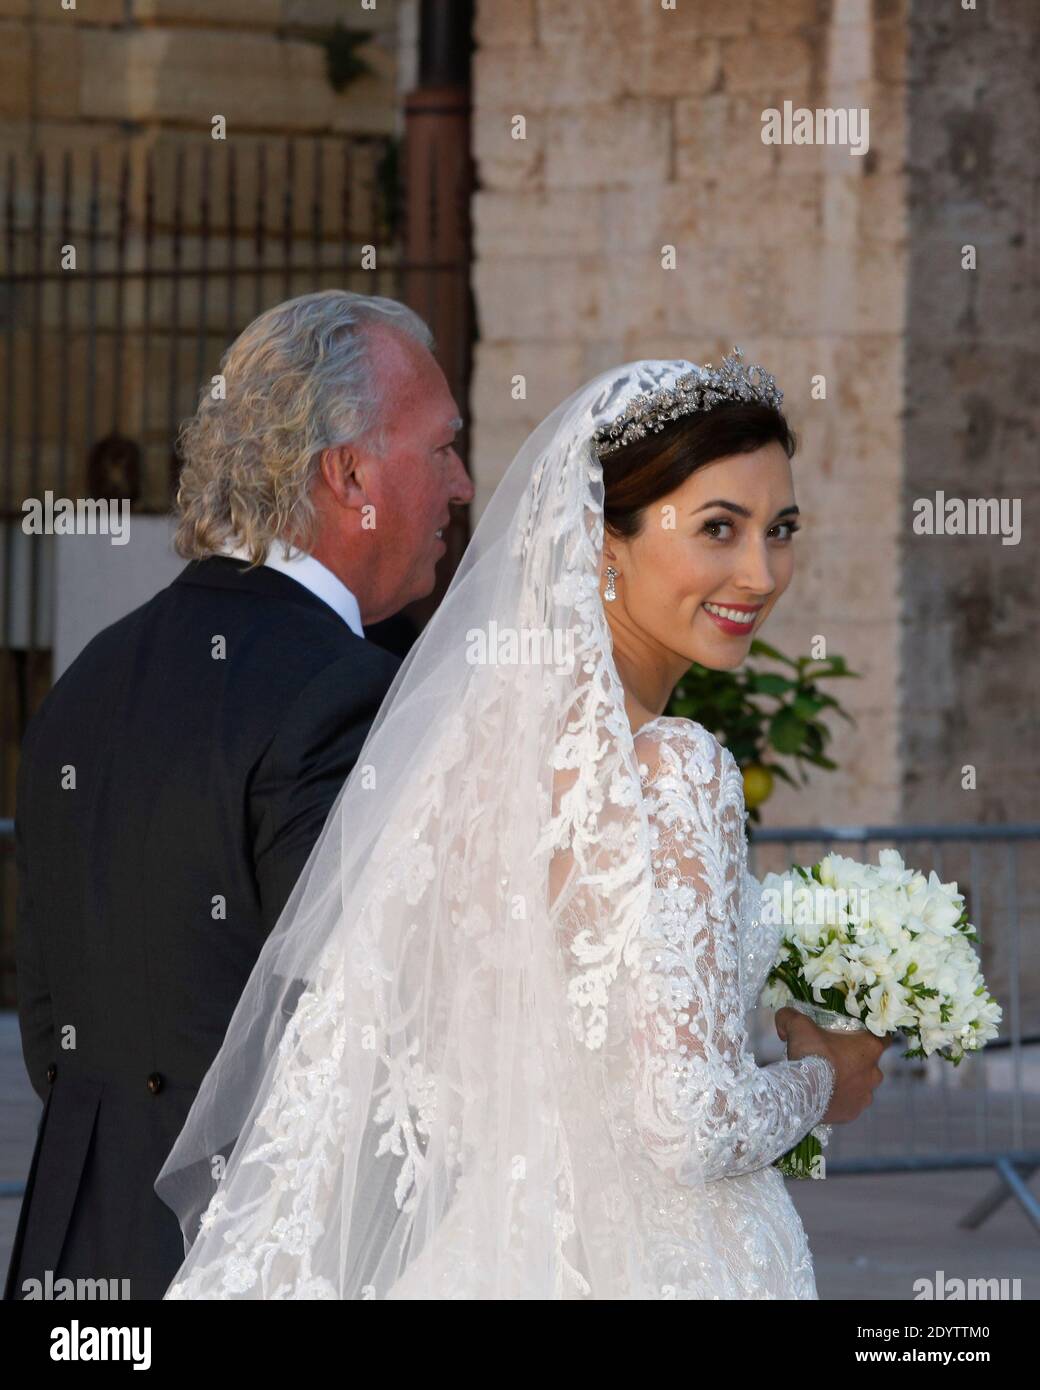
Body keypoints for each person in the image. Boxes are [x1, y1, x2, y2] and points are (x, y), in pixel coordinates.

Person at [156, 350, 889, 1300]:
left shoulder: (466, 766)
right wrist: (831, 1077)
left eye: (779, 529)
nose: (759, 571)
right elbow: (693, 1124)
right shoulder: (677, 767)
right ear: (603, 543)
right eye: (718, 528)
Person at [5, 289, 473, 1301]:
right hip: (263, 1255)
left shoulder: (88, 678)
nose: (462, 485)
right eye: (440, 449)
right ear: (348, 474)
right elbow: (369, 1038)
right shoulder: (345, 693)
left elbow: (52, 1027)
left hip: (80, 1251)